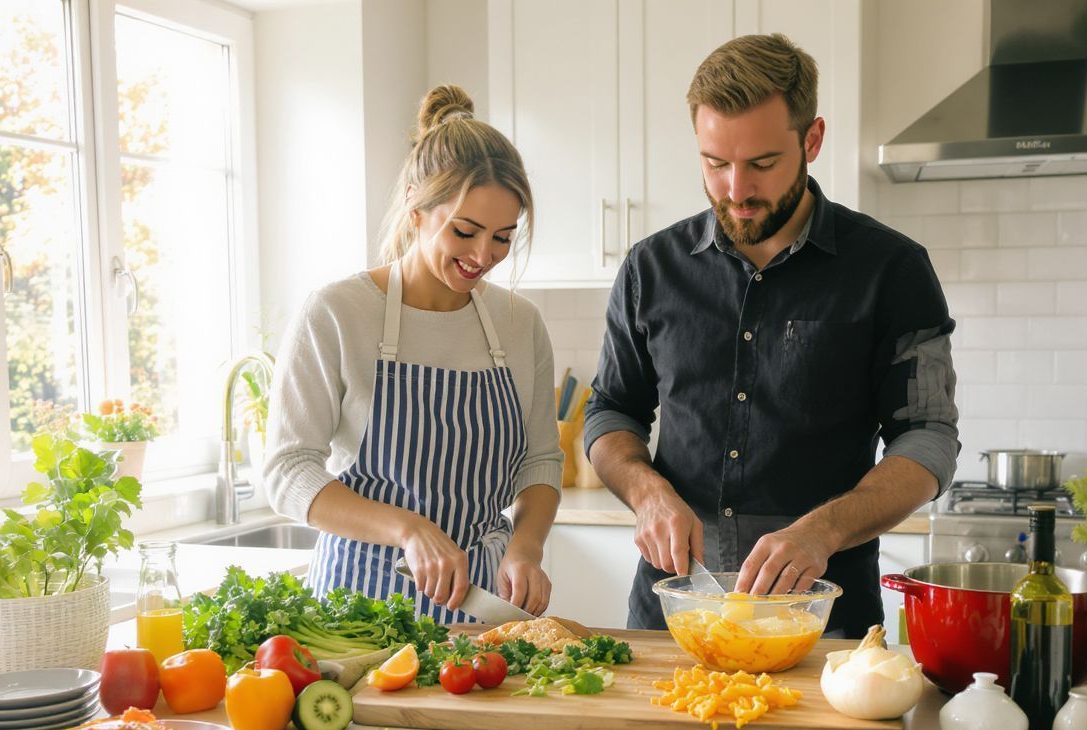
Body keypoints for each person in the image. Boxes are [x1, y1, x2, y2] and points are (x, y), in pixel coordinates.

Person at [584, 34, 959, 637]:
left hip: (825, 626)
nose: (736, 190)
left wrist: (824, 529)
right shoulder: (649, 269)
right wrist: (646, 490)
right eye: (714, 162)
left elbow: (929, 436)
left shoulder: (892, 270)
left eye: (761, 164)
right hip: (669, 619)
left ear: (812, 140)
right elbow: (610, 413)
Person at [264, 85, 564, 624]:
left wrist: (526, 547)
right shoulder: (338, 312)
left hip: (482, 610)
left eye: (502, 238)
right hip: (356, 611)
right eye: (465, 231)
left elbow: (540, 460)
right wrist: (409, 528)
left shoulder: (520, 325)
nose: (482, 257)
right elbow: (288, 472)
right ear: (415, 205)